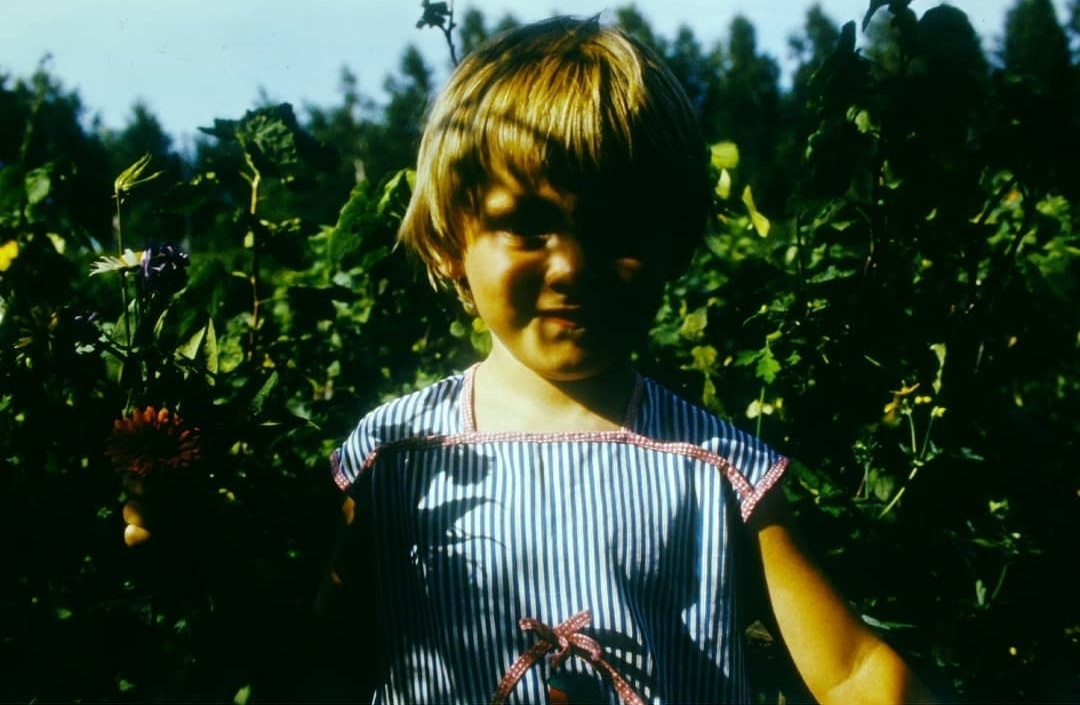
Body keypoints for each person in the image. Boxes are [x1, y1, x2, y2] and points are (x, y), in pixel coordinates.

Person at [316, 15, 935, 705]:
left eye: (615, 229)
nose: (571, 267)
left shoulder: (718, 470)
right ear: (448, 241)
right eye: (528, 226)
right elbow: (323, 664)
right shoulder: (392, 457)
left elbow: (852, 671)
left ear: (676, 245)